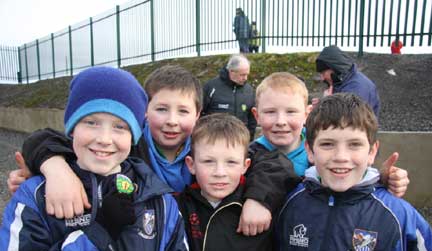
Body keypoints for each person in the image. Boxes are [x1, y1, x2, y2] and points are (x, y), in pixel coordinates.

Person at [7, 64, 285, 237]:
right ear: (144, 112)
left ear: (199, 114)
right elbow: (42, 139)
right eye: (161, 109)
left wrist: (258, 199)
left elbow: (270, 161)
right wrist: (54, 168)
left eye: (183, 111)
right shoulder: (128, 146)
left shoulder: (209, 144)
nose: (172, 120)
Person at [0, 66, 193, 251]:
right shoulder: (36, 196)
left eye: (120, 127)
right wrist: (97, 237)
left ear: (134, 134)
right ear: (71, 128)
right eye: (91, 122)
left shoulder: (159, 200)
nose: (104, 139)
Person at [276, 93, 432, 251]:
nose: (341, 157)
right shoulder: (290, 202)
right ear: (310, 151)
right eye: (327, 144)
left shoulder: (400, 216)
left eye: (354, 144)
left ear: (372, 152)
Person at [177, 113, 286, 251]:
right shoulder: (178, 208)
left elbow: (280, 167)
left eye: (231, 162)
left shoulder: (262, 204)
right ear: (191, 164)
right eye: (208, 161)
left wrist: (259, 200)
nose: (220, 173)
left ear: (246, 165)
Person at [250, 72, 409, 197]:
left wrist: (383, 181)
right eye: (270, 112)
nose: (281, 121)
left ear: (307, 114)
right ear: (257, 116)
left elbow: (353, 175)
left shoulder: (323, 146)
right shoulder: (246, 157)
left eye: (291, 112)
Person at [315, 45, 380, 118]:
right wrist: (321, 104)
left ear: (334, 68)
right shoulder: (345, 81)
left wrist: (326, 104)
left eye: (323, 73)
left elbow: (347, 120)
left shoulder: (356, 87)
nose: (322, 78)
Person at [202, 54, 257, 140]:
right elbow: (199, 113)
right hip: (213, 140)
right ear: (231, 72)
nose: (245, 78)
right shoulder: (211, 87)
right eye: (242, 75)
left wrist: (250, 140)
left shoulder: (249, 90)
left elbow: (252, 119)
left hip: (240, 142)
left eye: (247, 75)